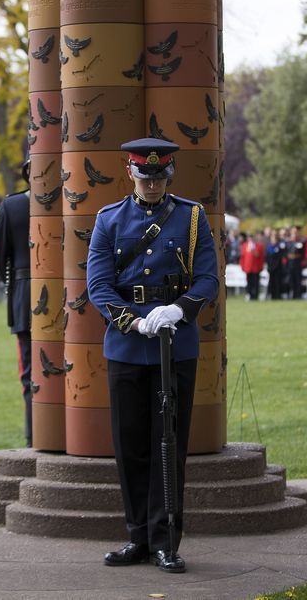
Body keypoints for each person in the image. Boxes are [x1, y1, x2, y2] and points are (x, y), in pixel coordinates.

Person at [87, 138, 219, 574]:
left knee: (168, 446)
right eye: (147, 178)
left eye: (161, 178)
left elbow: (206, 280)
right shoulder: (109, 219)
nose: (153, 185)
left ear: (169, 176)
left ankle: (166, 541)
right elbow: (100, 287)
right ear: (131, 172)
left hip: (174, 345)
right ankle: (137, 537)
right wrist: (135, 322)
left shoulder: (192, 217)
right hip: (128, 345)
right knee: (131, 446)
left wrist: (179, 310)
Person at [0, 158, 33, 447]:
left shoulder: (13, 205)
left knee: (31, 369)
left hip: (25, 294)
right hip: (36, 292)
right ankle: (35, 433)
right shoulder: (13, 205)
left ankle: (35, 434)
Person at [239, 232, 265, 301]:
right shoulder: (244, 246)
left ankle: (255, 296)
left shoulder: (258, 246)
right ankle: (249, 295)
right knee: (249, 282)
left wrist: (253, 249)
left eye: (251, 237)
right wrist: (242, 266)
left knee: (255, 283)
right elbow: (242, 257)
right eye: (249, 237)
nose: (250, 239)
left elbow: (259, 256)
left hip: (256, 268)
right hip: (248, 268)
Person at [283, 225, 306, 299]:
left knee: (298, 279)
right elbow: (285, 253)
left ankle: (298, 294)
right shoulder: (288, 242)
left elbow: (303, 252)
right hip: (290, 262)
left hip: (298, 262)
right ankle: (292, 293)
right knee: (291, 279)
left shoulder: (301, 241)